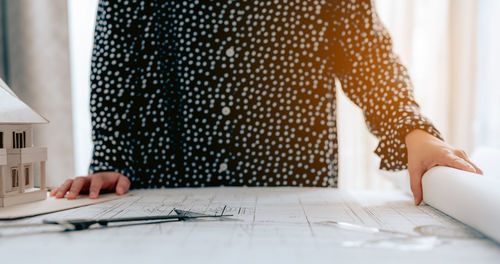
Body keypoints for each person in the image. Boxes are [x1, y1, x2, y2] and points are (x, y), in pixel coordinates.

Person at [51, 0, 482, 205]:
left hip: (291, 188)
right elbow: (116, 61)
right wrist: (110, 155)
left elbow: (367, 56)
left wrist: (412, 130)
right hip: (165, 187)